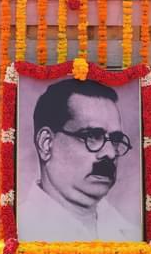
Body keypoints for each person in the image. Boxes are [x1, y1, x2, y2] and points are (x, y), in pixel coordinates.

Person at [17, 78, 139, 242]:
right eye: (92, 136)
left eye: (116, 140)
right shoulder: (20, 230)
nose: (110, 153)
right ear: (46, 144)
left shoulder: (130, 233)